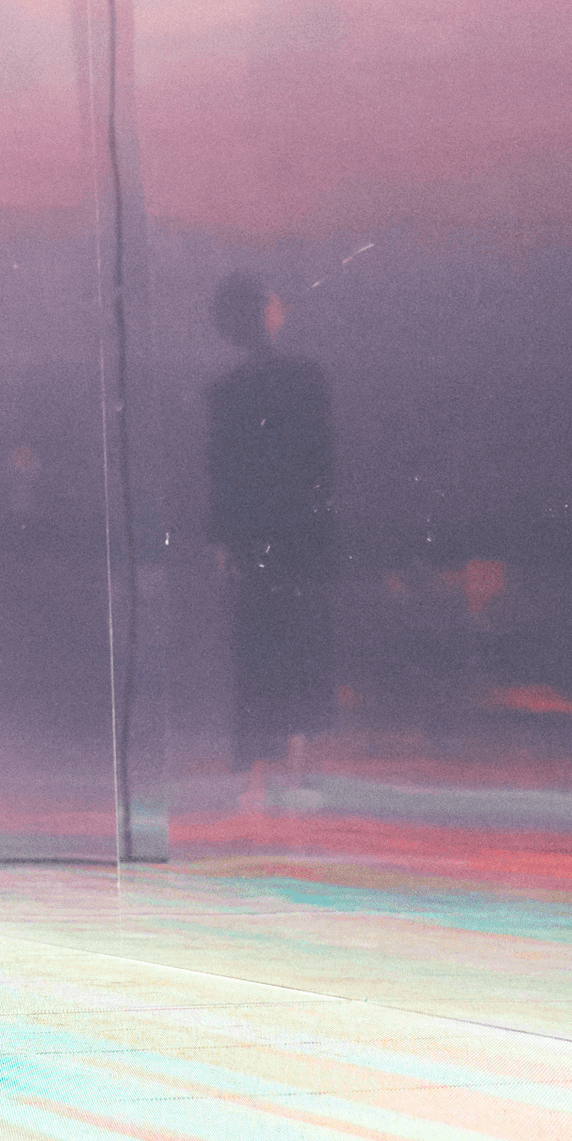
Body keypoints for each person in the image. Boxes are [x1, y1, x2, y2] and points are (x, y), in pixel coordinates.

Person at [204, 274, 335, 807]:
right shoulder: (306, 379)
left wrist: (222, 540)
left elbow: (220, 473)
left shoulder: (227, 390)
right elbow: (320, 467)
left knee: (257, 644)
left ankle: (257, 768)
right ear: (265, 313)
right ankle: (295, 767)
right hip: (298, 532)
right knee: (300, 642)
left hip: (253, 533)